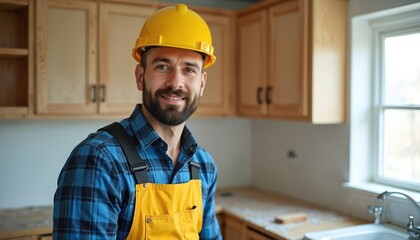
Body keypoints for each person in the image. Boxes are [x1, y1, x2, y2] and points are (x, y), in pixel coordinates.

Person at [53, 4, 222, 239]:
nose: (176, 82)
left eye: (189, 70)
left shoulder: (204, 166)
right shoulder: (99, 160)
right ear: (141, 77)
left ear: (201, 84)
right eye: (163, 66)